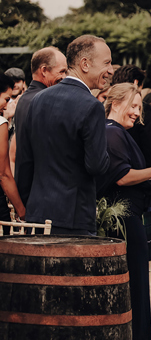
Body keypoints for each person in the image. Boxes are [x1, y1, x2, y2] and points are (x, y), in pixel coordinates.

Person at [96, 83, 151, 340]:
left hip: (131, 215)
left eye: (140, 108)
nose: (137, 114)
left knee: (138, 282)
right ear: (115, 103)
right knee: (136, 284)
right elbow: (121, 176)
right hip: (124, 219)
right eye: (134, 106)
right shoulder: (111, 133)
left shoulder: (119, 133)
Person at [15, 35, 112, 235]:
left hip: (37, 214)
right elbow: (96, 165)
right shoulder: (92, 106)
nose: (110, 70)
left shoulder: (38, 100)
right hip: (74, 219)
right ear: (85, 64)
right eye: (107, 63)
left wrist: (27, 206)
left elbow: (25, 161)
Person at [10, 47, 68, 168]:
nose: (65, 77)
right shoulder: (45, 100)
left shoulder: (24, 99)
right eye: (62, 71)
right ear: (44, 71)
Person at [111, 65, 151, 168]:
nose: (137, 113)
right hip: (138, 175)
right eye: (133, 106)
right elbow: (150, 150)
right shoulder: (144, 110)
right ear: (136, 83)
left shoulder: (101, 107)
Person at [0, 73, 26, 222]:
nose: (6, 105)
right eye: (6, 99)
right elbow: (3, 174)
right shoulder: (1, 123)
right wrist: (21, 210)